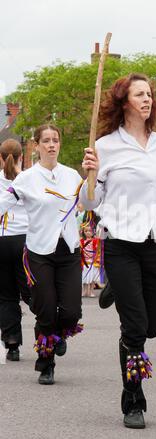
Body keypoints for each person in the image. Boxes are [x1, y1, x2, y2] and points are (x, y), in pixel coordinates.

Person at [80, 73, 156, 429]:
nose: (147, 100)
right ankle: (133, 399)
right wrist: (90, 174)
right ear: (124, 102)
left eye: (149, 94)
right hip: (120, 242)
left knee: (152, 325)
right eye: (139, 95)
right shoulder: (104, 147)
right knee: (134, 328)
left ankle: (121, 290)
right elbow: (91, 202)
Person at [0, 124, 84, 385]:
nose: (51, 145)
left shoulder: (72, 175)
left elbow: (91, 203)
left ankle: (58, 333)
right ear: (36, 146)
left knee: (71, 311)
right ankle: (46, 363)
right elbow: (4, 203)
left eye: (55, 140)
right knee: (45, 309)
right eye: (45, 140)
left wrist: (95, 177)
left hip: (68, 249)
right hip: (39, 251)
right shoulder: (26, 179)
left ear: (60, 144)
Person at [0, 139, 30, 361]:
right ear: (22, 157)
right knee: (31, 290)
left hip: (2, 239)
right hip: (25, 240)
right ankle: (50, 331)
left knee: (6, 294)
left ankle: (12, 341)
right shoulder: (29, 179)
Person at [80, 224, 99, 297]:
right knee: (84, 277)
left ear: (93, 232)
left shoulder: (95, 241)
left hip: (92, 262)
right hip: (85, 262)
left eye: (90, 231)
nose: (88, 232)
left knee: (92, 278)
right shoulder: (81, 241)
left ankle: (91, 291)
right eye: (86, 231)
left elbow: (98, 250)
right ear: (83, 232)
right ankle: (84, 291)